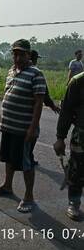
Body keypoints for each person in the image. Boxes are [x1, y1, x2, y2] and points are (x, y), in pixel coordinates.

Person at [0, 39, 46, 213]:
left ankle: (29, 197)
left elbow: (38, 103)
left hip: (24, 129)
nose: (18, 57)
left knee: (25, 163)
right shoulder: (11, 71)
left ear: (29, 55)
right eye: (15, 54)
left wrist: (32, 128)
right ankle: (7, 186)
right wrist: (1, 119)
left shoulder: (36, 74)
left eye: (21, 54)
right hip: (8, 126)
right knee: (8, 158)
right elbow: (7, 97)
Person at [54, 71, 84, 221]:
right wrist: (60, 138)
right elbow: (66, 112)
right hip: (81, 135)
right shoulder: (78, 82)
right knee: (77, 171)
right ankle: (74, 202)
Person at [30, 50, 60, 166]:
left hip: (20, 111)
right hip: (31, 111)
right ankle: (28, 158)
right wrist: (53, 106)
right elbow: (44, 95)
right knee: (33, 133)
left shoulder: (16, 70)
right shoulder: (36, 73)